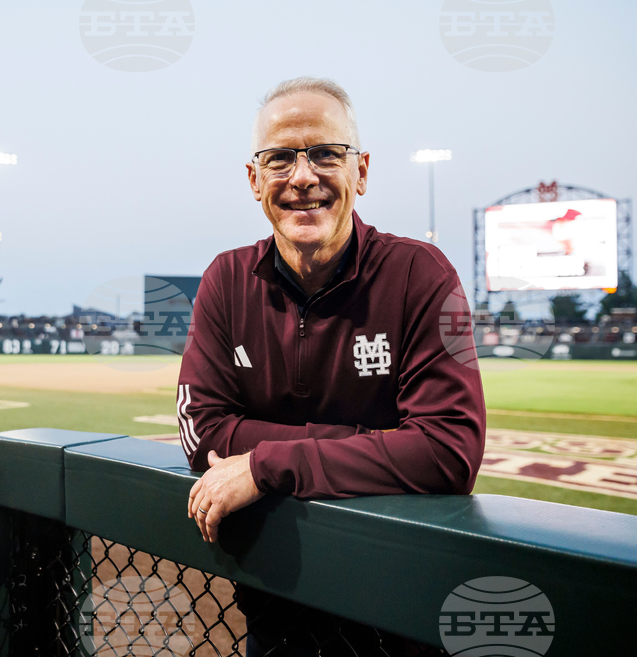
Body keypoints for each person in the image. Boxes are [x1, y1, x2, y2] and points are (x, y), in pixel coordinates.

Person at [179, 77, 486, 655]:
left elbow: (449, 451)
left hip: (398, 606)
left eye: (325, 153)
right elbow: (203, 433)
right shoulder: (225, 279)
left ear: (362, 172)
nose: (302, 177)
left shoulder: (423, 274)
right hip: (274, 598)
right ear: (254, 180)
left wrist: (268, 463)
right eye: (279, 158)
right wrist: (379, 443)